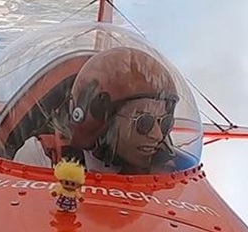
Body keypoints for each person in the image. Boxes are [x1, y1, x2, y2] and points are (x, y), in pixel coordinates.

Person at [14, 46, 179, 174]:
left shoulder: (166, 168)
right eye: (144, 122)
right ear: (100, 118)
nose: (157, 135)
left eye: (164, 122)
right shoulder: (44, 156)